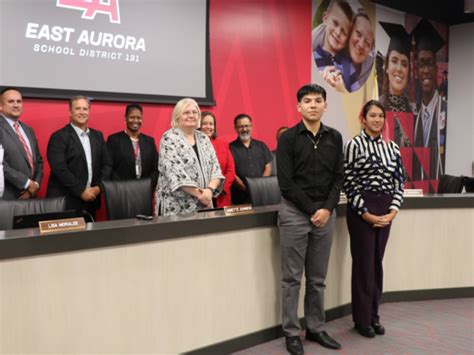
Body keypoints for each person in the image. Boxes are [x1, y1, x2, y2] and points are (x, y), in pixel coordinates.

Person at [277, 84, 343, 354]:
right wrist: (312, 210)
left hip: (325, 214)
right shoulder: (289, 139)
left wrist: (326, 209)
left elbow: (339, 177)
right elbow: (286, 183)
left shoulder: (335, 137)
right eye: (307, 101)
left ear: (325, 106)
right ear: (299, 107)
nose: (313, 105)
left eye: (318, 100)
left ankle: (315, 328)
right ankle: (292, 332)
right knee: (292, 278)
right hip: (295, 213)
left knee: (317, 278)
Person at [343, 100, 404, 338]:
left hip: (386, 207)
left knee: (377, 263)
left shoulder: (393, 148)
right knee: (364, 265)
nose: (377, 120)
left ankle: (374, 316)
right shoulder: (353, 145)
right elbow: (349, 183)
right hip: (362, 209)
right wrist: (366, 214)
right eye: (373, 115)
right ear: (363, 118)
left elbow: (400, 182)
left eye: (381, 116)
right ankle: (362, 319)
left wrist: (393, 212)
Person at [155, 98, 224, 216]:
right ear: (177, 116)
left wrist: (209, 191)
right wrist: (200, 195)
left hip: (205, 202)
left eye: (194, 112)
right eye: (186, 112)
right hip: (176, 207)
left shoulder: (204, 139)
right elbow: (175, 173)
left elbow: (215, 169)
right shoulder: (169, 138)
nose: (191, 115)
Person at [46, 96, 111, 218]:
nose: (82, 112)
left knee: (89, 237)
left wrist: (98, 188)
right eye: (78, 109)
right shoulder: (58, 137)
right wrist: (81, 191)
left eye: (85, 109)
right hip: (66, 203)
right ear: (70, 112)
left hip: (91, 200)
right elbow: (59, 169)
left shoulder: (97, 136)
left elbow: (107, 164)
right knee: (65, 238)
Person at [412, 19, 447, 189]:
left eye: (430, 63)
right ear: (416, 71)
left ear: (436, 69)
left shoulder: (446, 111)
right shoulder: (413, 116)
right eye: (421, 65)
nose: (425, 70)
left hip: (440, 190)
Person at [0, 87, 43, 200]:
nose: (16, 105)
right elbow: (1, 164)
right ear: (1, 106)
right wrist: (27, 183)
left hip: (31, 195)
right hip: (8, 197)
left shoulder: (28, 129)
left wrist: (35, 185)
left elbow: (38, 160)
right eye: (11, 101)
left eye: (19, 101)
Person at [322, 9, 375, 93]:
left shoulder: (367, 68)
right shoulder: (320, 40)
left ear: (371, 49)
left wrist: (342, 90)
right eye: (358, 33)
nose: (361, 44)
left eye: (367, 43)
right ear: (350, 32)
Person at [107, 104, 159, 189]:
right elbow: (109, 167)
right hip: (121, 191)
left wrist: (147, 185)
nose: (135, 120)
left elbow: (156, 168)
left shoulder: (149, 141)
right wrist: (121, 187)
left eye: (139, 118)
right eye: (132, 117)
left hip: (144, 192)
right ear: (126, 118)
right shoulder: (114, 140)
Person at [378, 21, 413, 148]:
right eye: (394, 61)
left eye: (404, 64)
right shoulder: (377, 108)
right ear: (386, 67)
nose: (399, 68)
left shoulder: (412, 111)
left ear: (408, 72)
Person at [229, 114, 272, 205]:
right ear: (235, 128)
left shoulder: (261, 146)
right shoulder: (229, 148)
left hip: (262, 195)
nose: (244, 129)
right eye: (241, 126)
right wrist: (248, 188)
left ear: (251, 127)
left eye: (247, 126)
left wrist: (260, 186)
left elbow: (268, 167)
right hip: (240, 197)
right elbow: (231, 173)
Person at [199, 111, 235, 207]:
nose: (208, 127)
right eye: (204, 123)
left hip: (221, 196)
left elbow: (230, 170)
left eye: (211, 124)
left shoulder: (223, 145)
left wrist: (219, 189)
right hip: (200, 196)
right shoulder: (191, 146)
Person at [312, 0, 354, 73]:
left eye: (343, 32)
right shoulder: (313, 41)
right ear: (325, 18)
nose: (338, 33)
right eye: (335, 23)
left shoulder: (349, 68)